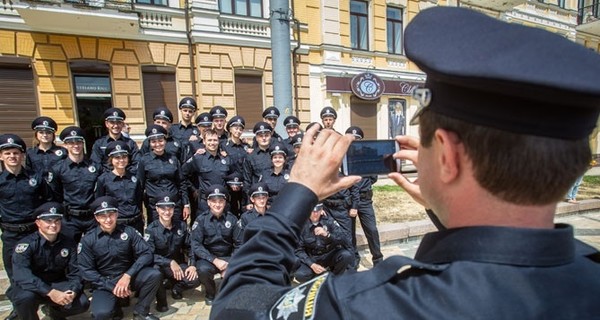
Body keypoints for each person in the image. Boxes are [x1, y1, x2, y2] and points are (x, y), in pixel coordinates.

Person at [210, 7, 600, 319]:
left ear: (447, 156)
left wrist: (297, 194)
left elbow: (238, 307)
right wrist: (450, 206)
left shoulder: (371, 305)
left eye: (427, 143)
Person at [79, 196, 162, 320]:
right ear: (97, 218)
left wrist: (128, 275)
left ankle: (141, 312)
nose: (108, 219)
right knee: (101, 314)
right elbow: (86, 270)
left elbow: (146, 253)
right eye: (103, 216)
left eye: (111, 214)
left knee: (154, 274)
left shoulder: (129, 232)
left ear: (117, 214)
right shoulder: (89, 240)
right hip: (104, 282)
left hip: (128, 277)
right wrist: (111, 286)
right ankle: (115, 305)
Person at [0, 134, 50, 320]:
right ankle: (19, 308)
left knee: (41, 269)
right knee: (14, 274)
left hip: (34, 232)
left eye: (16, 153)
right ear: (1, 156)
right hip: (11, 234)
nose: (12, 156)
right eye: (8, 153)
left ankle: (48, 304)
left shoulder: (35, 178)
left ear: (22, 156)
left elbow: (47, 201)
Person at [10, 202, 89, 320]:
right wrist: (50, 292)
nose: (53, 225)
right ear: (38, 223)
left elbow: (76, 272)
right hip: (33, 286)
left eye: (57, 221)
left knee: (82, 303)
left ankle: (55, 313)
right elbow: (22, 275)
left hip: (57, 282)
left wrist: (73, 291)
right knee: (24, 298)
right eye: (48, 221)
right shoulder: (26, 245)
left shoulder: (68, 243)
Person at [144, 192, 200, 312]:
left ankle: (176, 288)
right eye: (163, 209)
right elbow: (148, 254)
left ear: (174, 209)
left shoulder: (181, 226)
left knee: (195, 279)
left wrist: (192, 265)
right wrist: (169, 262)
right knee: (155, 273)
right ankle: (161, 301)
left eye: (170, 208)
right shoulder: (151, 229)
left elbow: (190, 247)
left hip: (178, 266)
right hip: (159, 265)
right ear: (157, 209)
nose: (167, 212)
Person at [49, 126, 101, 242]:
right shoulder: (58, 169)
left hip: (92, 217)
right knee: (69, 252)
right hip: (70, 218)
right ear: (65, 145)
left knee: (95, 249)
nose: (76, 146)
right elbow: (55, 194)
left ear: (83, 144)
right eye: (71, 143)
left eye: (78, 142)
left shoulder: (95, 166)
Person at [191, 185, 240, 306]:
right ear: (208, 202)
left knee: (240, 269)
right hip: (209, 258)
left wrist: (231, 264)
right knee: (202, 270)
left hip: (228, 257)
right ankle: (210, 293)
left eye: (220, 201)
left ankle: (227, 291)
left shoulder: (232, 220)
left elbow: (239, 244)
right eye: (214, 201)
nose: (217, 205)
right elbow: (196, 245)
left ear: (225, 202)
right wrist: (214, 260)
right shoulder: (201, 220)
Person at [345, 126, 383, 266]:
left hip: (365, 199)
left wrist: (362, 185)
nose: (353, 142)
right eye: (351, 139)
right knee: (350, 232)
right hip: (348, 200)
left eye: (357, 139)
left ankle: (378, 260)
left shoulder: (369, 156)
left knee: (372, 230)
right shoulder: (342, 155)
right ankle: (354, 260)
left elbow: (374, 177)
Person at [138, 125, 190, 223]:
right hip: (155, 206)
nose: (158, 144)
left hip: (174, 204)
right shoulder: (144, 160)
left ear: (165, 141)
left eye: (161, 140)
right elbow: (140, 186)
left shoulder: (173, 159)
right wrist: (139, 209)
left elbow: (181, 182)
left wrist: (186, 204)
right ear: (149, 143)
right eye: (153, 141)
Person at [294, 203, 354, 283]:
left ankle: (334, 279)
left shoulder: (328, 221)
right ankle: (318, 278)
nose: (315, 214)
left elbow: (344, 238)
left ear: (322, 210)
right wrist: (312, 265)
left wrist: (327, 235)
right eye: (312, 211)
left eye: (317, 211)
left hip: (328, 255)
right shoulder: (302, 226)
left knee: (345, 255)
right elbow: (299, 250)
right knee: (300, 275)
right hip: (313, 257)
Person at [95, 141, 144, 233]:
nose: (121, 160)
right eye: (117, 158)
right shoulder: (103, 179)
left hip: (136, 221)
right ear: (111, 160)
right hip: (117, 223)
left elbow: (138, 200)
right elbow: (99, 202)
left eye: (124, 157)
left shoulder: (134, 178)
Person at [182, 128, 233, 214]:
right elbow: (182, 174)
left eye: (215, 140)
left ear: (218, 141)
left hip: (223, 203)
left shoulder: (226, 158)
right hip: (205, 204)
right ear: (204, 142)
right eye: (209, 140)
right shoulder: (198, 158)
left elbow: (233, 175)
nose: (212, 143)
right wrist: (193, 189)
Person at [90, 107, 140, 173]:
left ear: (122, 124)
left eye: (118, 122)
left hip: (127, 179)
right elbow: (96, 164)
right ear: (107, 124)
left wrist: (125, 174)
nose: (116, 126)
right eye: (112, 122)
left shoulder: (130, 143)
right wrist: (111, 175)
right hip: (106, 180)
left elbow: (137, 162)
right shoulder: (99, 144)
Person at [25, 116, 67, 181]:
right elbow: (28, 173)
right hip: (38, 188)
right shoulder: (31, 153)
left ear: (53, 135)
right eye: (41, 132)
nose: (45, 135)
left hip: (58, 189)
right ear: (36, 134)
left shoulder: (63, 152)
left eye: (48, 132)